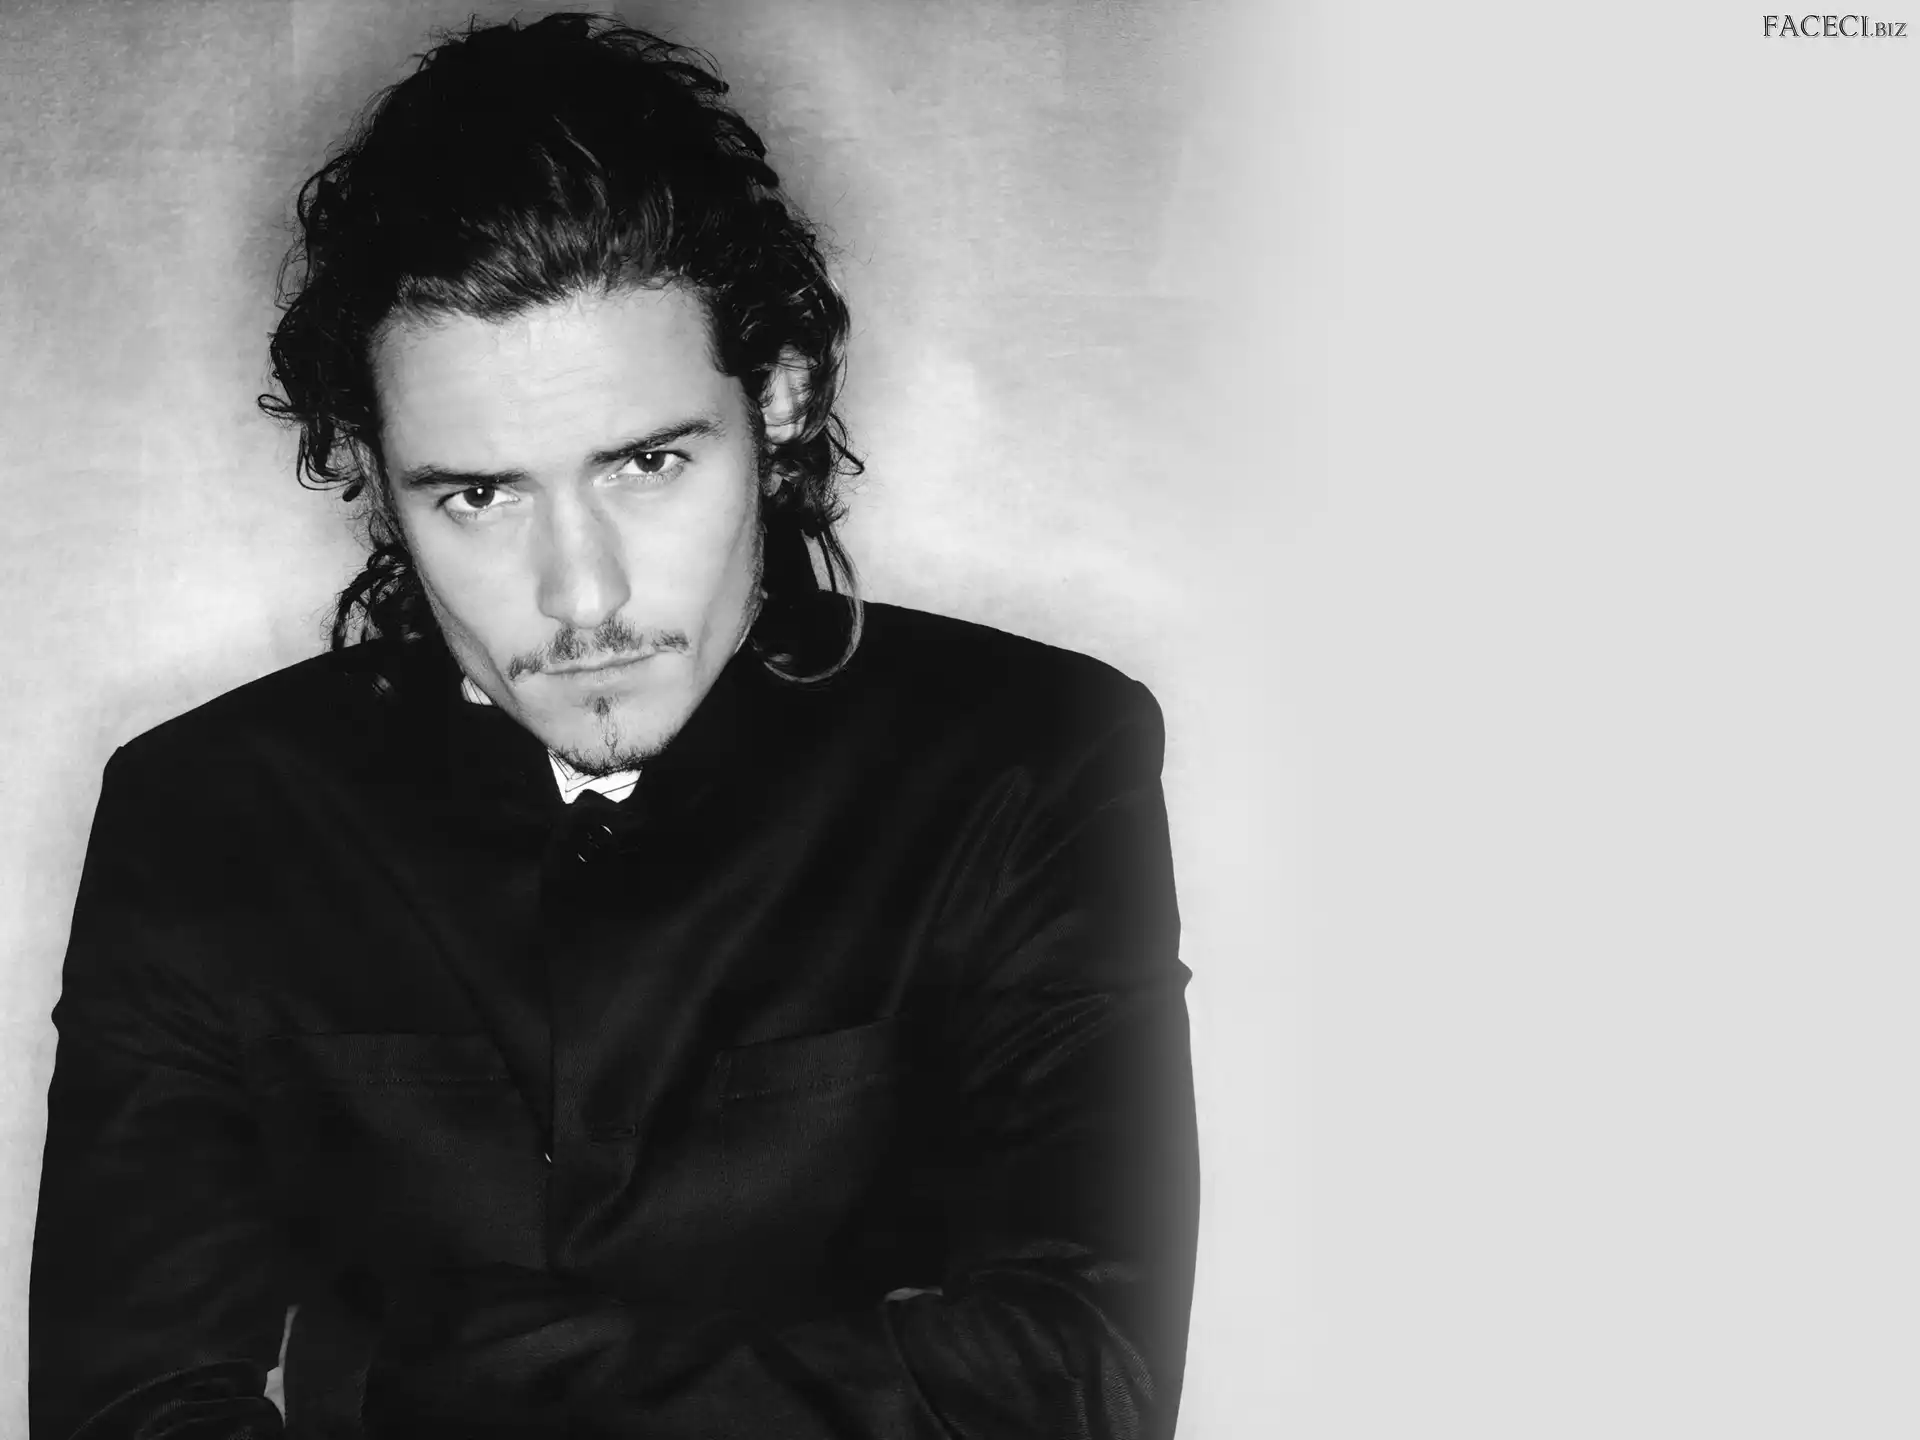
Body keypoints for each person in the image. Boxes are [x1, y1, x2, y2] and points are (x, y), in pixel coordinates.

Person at [29, 13, 1198, 1438]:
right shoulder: (203, 816)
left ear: (779, 397)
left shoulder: (1029, 759)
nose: (579, 596)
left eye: (645, 464)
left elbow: (1084, 1381)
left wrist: (406, 1378)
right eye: (479, 495)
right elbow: (129, 1412)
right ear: (374, 478)